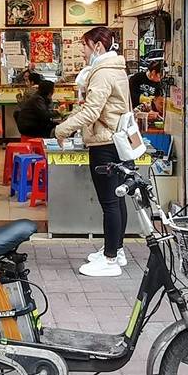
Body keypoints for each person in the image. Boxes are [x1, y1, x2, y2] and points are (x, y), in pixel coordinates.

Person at [54, 27, 132, 278]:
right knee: (117, 200)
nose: (83, 52)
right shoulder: (117, 69)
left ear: (98, 46)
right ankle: (116, 249)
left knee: (109, 202)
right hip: (117, 142)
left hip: (104, 145)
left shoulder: (102, 73)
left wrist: (62, 130)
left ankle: (110, 260)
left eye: (85, 47)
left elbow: (91, 112)